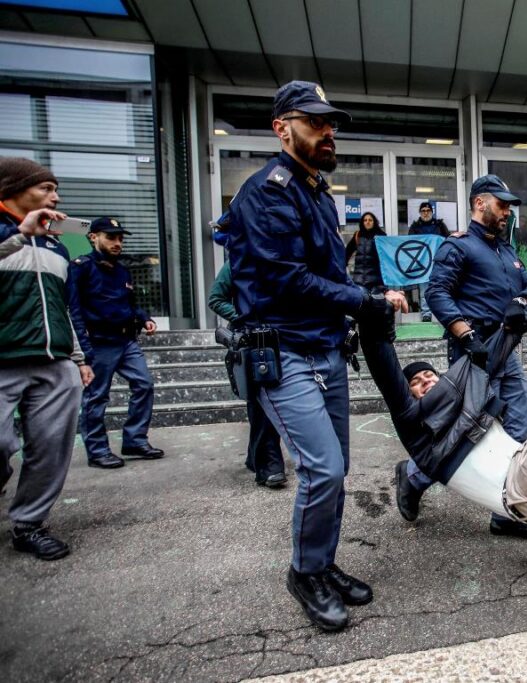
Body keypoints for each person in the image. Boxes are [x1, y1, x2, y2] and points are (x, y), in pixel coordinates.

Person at [224, 80, 404, 632]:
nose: (328, 131)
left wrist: (356, 304)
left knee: (337, 469)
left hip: (325, 348)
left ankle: (322, 564)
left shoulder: (315, 192)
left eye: (331, 123)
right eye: (315, 122)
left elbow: (328, 274)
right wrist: (363, 302)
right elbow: (285, 279)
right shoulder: (267, 191)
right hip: (284, 352)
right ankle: (304, 573)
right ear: (283, 129)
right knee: (322, 468)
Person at [417, 174, 527, 538]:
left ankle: (506, 513)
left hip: (507, 349)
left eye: (508, 206)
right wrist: (465, 335)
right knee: (465, 434)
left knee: (518, 429)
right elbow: (437, 293)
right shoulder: (457, 246)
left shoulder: (505, 250)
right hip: (473, 352)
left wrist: (522, 303)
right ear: (479, 203)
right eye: (501, 204)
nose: (507, 212)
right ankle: (413, 478)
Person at [0, 157, 93, 560]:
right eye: (45, 188)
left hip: (53, 360)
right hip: (5, 358)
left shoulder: (56, 243)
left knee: (51, 447)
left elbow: (63, 306)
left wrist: (78, 357)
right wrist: (20, 235)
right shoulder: (12, 235)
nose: (55, 197)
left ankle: (29, 524)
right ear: (12, 190)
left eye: (55, 189)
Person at [69, 217, 163, 469]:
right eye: (111, 237)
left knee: (144, 384)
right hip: (99, 343)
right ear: (93, 237)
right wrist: (83, 349)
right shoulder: (81, 267)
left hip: (126, 340)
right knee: (96, 397)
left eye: (120, 238)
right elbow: (73, 310)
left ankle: (134, 440)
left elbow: (128, 304)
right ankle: (98, 450)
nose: (117, 243)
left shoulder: (122, 270)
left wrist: (144, 319)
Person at [208, 261, 287, 488]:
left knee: (267, 402)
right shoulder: (235, 264)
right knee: (261, 404)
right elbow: (216, 299)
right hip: (251, 341)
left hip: (277, 340)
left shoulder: (277, 260)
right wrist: (244, 318)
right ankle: (269, 466)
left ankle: (256, 457)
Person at [408, 201, 449, 322]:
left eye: (428, 210)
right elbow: (410, 243)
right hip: (422, 264)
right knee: (424, 290)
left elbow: (448, 240)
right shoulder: (415, 227)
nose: (425, 213)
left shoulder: (440, 225)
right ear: (420, 213)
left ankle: (441, 312)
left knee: (440, 288)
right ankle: (426, 313)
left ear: (432, 212)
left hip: (438, 262)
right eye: (423, 211)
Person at [345, 211, 390, 294]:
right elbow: (347, 252)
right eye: (365, 220)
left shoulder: (381, 236)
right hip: (359, 280)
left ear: (374, 222)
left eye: (370, 220)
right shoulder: (357, 235)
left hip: (376, 282)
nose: (367, 222)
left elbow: (388, 256)